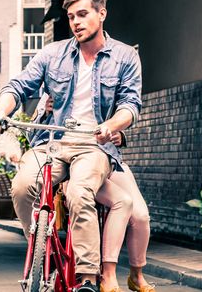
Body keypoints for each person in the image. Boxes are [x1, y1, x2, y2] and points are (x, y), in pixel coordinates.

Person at [0, 0, 142, 290]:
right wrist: (1, 112)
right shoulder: (52, 54)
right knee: (22, 186)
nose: (75, 22)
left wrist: (110, 126)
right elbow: (18, 86)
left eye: (83, 14)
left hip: (93, 144)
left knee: (80, 191)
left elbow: (130, 105)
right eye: (71, 17)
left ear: (102, 14)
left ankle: (87, 278)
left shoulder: (125, 56)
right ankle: (37, 244)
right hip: (52, 142)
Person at [36, 95, 154, 292]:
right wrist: (45, 113)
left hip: (110, 162)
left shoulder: (108, 83)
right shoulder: (56, 86)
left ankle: (136, 274)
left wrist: (120, 136)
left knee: (141, 216)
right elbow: (37, 129)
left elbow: (126, 115)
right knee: (117, 201)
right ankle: (107, 274)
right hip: (76, 166)